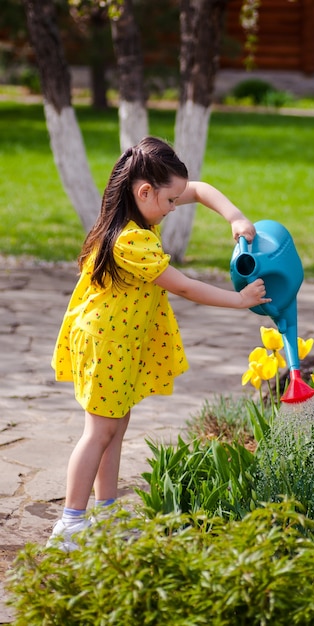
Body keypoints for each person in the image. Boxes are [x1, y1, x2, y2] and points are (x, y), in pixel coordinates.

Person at [47, 136, 270, 551]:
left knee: (116, 424)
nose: (173, 209)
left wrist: (235, 217)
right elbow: (184, 287)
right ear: (144, 192)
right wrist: (238, 300)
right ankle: (71, 523)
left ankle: (106, 512)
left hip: (121, 341)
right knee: (99, 431)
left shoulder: (140, 211)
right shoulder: (130, 241)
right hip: (105, 341)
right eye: (169, 202)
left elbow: (199, 191)